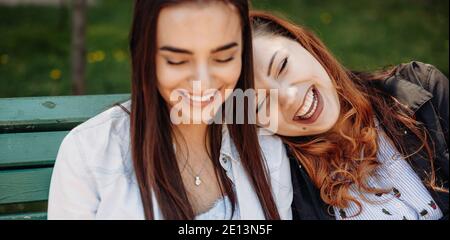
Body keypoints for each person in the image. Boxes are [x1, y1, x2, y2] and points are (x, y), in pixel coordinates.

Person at [47, 1, 293, 220]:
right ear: (146, 56)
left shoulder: (266, 145)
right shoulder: (88, 153)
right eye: (177, 61)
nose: (202, 82)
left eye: (224, 58)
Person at [250, 11, 448, 220]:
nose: (288, 98)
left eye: (282, 66)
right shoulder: (285, 194)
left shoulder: (422, 88)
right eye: (260, 103)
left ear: (304, 44)